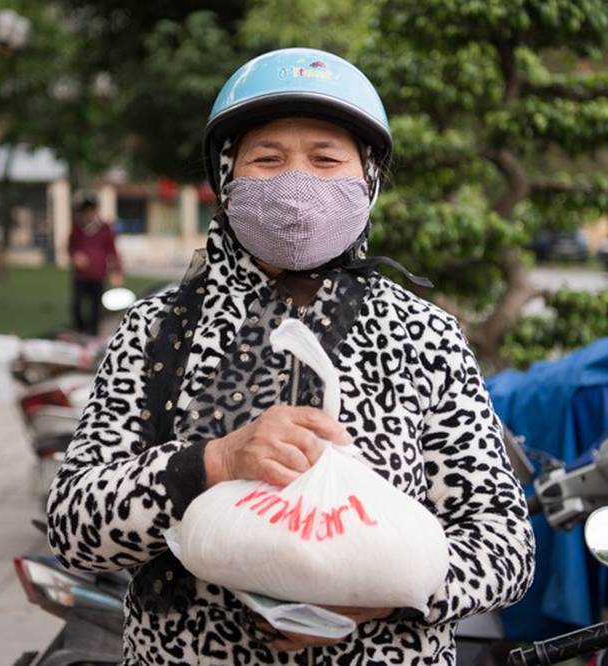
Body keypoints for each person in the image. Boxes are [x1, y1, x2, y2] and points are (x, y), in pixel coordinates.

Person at [47, 47, 534, 665]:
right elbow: (73, 528)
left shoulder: (424, 337)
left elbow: (505, 543)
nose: (296, 183)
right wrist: (214, 461)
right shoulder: (155, 332)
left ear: (368, 178)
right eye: (267, 159)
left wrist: (389, 591)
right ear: (227, 177)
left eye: (326, 159)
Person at [68, 192, 123, 335]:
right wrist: (75, 256)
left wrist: (117, 271)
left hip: (98, 274)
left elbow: (113, 251)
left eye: (90, 210)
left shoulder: (105, 229)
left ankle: (93, 334)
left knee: (95, 308)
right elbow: (70, 247)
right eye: (85, 211)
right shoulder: (77, 229)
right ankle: (79, 331)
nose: (88, 214)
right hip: (81, 276)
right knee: (77, 305)